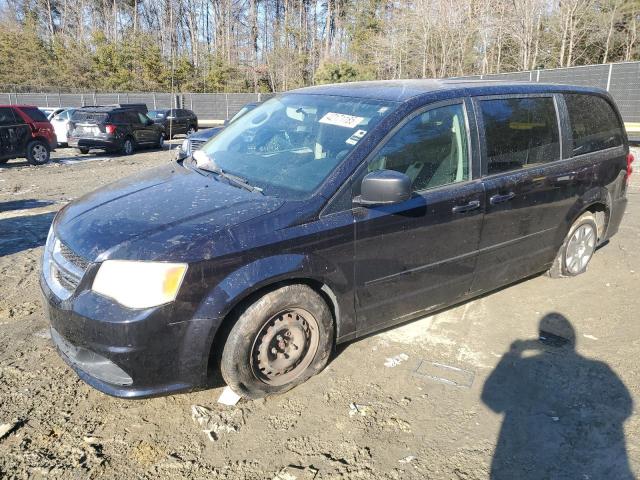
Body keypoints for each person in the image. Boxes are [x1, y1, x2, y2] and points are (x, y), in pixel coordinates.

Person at [482, 312, 634, 479]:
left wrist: (514, 353)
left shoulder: (526, 366)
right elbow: (624, 406)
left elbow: (491, 399)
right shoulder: (598, 368)